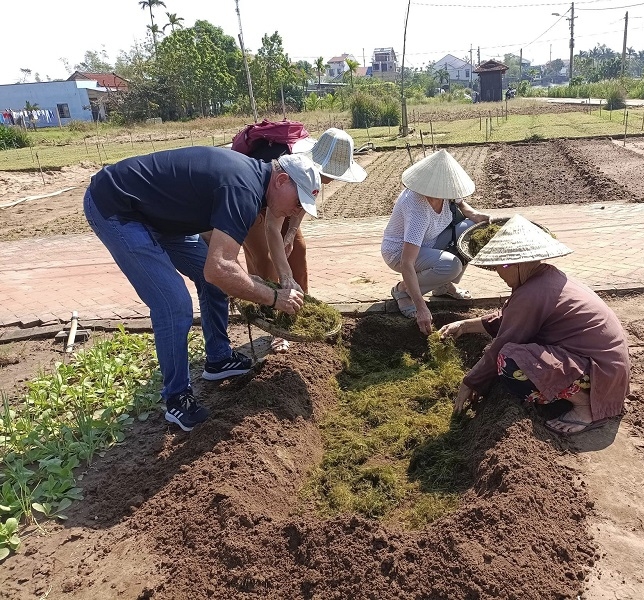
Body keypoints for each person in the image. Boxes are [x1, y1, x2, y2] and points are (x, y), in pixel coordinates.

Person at [83, 146, 321, 432]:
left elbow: (218, 264)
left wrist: (256, 280)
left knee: (215, 281)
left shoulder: (256, 184)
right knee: (174, 304)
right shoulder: (243, 190)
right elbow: (219, 267)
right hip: (119, 206)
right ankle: (176, 397)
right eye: (298, 202)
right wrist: (273, 297)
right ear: (281, 181)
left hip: (161, 216)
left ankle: (219, 358)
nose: (296, 211)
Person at [438, 215, 630, 436]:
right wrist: (464, 326)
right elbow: (510, 318)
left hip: (599, 372)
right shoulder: (545, 276)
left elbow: (504, 341)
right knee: (512, 355)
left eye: (502, 265)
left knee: (509, 362)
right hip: (607, 366)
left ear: (519, 263)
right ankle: (571, 393)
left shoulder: (532, 293)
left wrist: (470, 382)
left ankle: (585, 406)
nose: (499, 273)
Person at [241, 128, 367, 293]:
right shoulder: (298, 167)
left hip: (288, 202)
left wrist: (291, 232)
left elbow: (303, 203)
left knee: (298, 251)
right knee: (266, 261)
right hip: (256, 204)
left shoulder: (315, 174)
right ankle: (267, 303)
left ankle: (301, 303)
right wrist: (286, 276)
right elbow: (272, 227)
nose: (332, 178)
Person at [381, 149, 491, 335]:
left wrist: (476, 215)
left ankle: (442, 285)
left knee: (472, 230)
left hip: (429, 241)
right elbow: (407, 262)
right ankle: (403, 290)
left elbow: (461, 204)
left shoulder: (446, 190)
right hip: (399, 253)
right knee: (451, 265)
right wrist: (421, 307)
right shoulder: (418, 210)